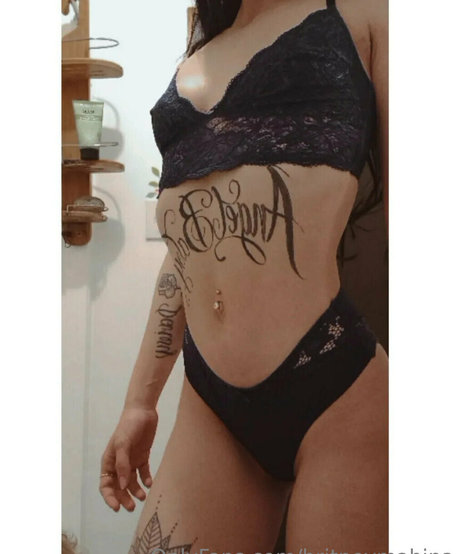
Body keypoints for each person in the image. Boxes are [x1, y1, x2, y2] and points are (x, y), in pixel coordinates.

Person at [99, 0, 388, 551]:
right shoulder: (207, 38)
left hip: (336, 389)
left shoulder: (365, 13)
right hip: (211, 405)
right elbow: (188, 244)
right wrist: (140, 400)